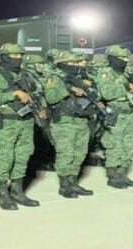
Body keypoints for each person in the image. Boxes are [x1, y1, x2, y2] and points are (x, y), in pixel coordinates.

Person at [0, 43, 40, 209]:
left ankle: (17, 191)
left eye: (20, 55)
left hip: (26, 121)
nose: (18, 58)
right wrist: (14, 94)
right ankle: (3, 195)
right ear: (4, 57)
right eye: (14, 55)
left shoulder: (25, 74)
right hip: (7, 123)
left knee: (23, 156)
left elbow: (36, 91)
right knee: (5, 157)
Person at [43, 50, 96, 197]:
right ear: (63, 64)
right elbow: (51, 97)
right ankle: (64, 186)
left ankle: (73, 182)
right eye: (72, 63)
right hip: (64, 122)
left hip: (81, 120)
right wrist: (69, 89)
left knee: (80, 154)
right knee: (66, 154)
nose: (76, 65)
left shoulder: (77, 78)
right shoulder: (55, 78)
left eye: (76, 62)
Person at [93, 45, 133, 187]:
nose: (125, 60)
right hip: (116, 114)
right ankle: (113, 176)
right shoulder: (105, 73)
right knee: (114, 146)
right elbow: (106, 93)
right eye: (121, 58)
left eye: (126, 57)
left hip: (130, 113)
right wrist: (125, 87)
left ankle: (123, 174)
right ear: (112, 59)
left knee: (129, 145)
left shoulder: (127, 73)